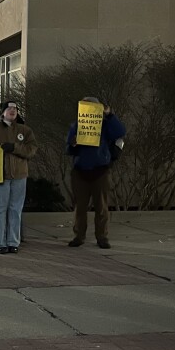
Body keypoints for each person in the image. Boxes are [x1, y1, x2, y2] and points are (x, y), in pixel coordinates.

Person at [66, 97, 126, 249]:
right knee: (80, 207)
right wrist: (72, 143)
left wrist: (109, 114)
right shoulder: (77, 125)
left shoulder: (105, 126)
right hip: (80, 171)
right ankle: (79, 236)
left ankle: (102, 237)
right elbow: (69, 146)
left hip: (100, 170)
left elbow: (120, 131)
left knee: (102, 207)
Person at [0, 101, 37, 254]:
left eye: (15, 109)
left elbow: (31, 149)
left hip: (19, 175)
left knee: (15, 209)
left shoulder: (25, 130)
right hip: (0, 175)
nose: (13, 111)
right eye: (9, 108)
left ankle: (13, 241)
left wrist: (15, 148)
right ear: (2, 112)